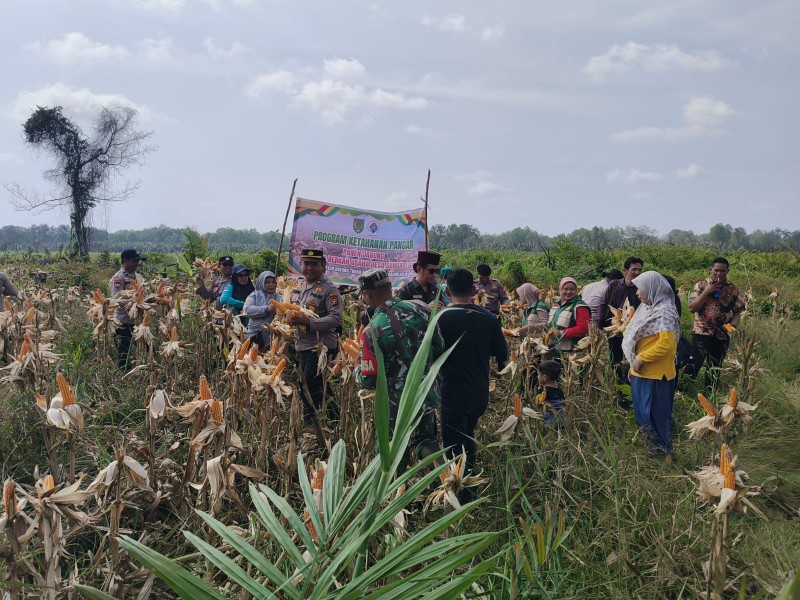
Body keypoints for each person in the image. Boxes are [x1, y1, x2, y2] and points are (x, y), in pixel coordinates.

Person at [353, 268, 444, 461]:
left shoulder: (372, 330)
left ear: (368, 295)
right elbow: (439, 345)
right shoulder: (422, 309)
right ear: (389, 287)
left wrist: (356, 367)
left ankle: (396, 481)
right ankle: (444, 478)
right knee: (425, 441)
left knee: (391, 452)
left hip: (395, 404)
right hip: (425, 393)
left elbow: (369, 380)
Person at [438, 269, 508, 478]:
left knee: (453, 440)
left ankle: (460, 484)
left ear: (447, 291)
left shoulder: (440, 318)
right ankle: (468, 476)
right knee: (468, 433)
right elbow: (501, 352)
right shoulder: (488, 317)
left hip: (452, 391)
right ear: (473, 289)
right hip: (479, 391)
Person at [622, 271, 682, 456]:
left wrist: (641, 359)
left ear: (651, 289)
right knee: (643, 416)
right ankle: (651, 452)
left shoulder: (665, 311)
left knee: (656, 417)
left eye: (640, 289)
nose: (637, 293)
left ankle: (662, 454)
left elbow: (667, 345)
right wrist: (633, 363)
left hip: (656, 375)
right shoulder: (649, 307)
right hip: (642, 372)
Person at [286, 249, 343, 422]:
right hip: (302, 345)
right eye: (306, 263)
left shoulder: (329, 289)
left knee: (310, 385)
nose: (309, 268)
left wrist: (309, 323)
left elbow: (335, 318)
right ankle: (331, 420)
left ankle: (316, 421)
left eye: (314, 264)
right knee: (312, 385)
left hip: (320, 347)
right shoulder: (299, 286)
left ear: (323, 266)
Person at [687, 257, 744, 387]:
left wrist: (732, 326)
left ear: (728, 271)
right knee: (694, 363)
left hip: (722, 333)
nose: (719, 274)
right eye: (716, 270)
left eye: (722, 271)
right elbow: (692, 308)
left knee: (714, 367)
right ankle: (684, 390)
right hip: (702, 331)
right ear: (710, 270)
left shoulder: (733, 289)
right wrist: (707, 292)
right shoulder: (701, 285)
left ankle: (710, 393)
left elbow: (738, 311)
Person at [597, 257, 644, 375]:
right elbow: (603, 303)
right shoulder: (614, 285)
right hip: (615, 327)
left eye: (639, 270)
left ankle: (630, 379)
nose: (637, 272)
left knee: (631, 356)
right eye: (634, 269)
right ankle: (618, 380)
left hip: (633, 329)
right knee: (615, 357)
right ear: (625, 270)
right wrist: (600, 321)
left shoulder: (642, 288)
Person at [110, 249, 145, 370]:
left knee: (142, 349)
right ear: (125, 261)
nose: (137, 263)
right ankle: (124, 374)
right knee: (124, 353)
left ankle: (138, 371)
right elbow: (117, 299)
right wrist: (134, 306)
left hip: (137, 322)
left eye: (138, 261)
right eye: (134, 261)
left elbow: (143, 295)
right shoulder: (118, 278)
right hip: (123, 322)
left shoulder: (138, 277)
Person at [547, 277, 590, 353]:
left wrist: (561, 333)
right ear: (560, 290)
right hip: (553, 348)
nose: (568, 292)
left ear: (576, 290)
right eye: (565, 289)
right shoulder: (556, 304)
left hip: (570, 351)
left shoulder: (580, 306)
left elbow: (583, 328)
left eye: (572, 289)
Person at [242, 271, 281, 349]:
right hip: (253, 336)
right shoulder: (254, 295)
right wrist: (266, 309)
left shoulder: (278, 298)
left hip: (272, 338)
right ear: (261, 283)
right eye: (267, 282)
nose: (271, 285)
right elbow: (247, 311)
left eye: (273, 282)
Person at [536, 360, 565, 426]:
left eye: (538, 374)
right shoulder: (559, 390)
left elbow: (537, 403)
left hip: (548, 423)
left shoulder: (543, 391)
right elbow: (563, 402)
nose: (537, 376)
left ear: (544, 377)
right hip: (560, 421)